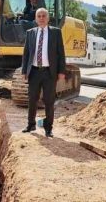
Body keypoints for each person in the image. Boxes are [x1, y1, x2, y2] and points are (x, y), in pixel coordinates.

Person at [21, 8, 66, 138]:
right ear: (35, 18)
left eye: (43, 16)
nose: (41, 18)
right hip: (34, 72)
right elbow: (26, 54)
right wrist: (24, 71)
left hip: (49, 72)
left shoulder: (56, 33)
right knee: (32, 99)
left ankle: (48, 128)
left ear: (48, 18)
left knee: (49, 101)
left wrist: (61, 71)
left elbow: (60, 53)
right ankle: (31, 124)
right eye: (39, 16)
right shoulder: (30, 33)